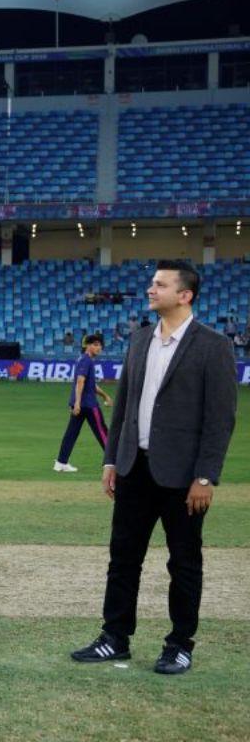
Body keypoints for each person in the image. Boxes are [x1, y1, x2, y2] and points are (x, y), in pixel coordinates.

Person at [71, 260, 237, 675]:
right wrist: (112, 459)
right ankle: (115, 637)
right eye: (152, 283)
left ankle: (179, 644)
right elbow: (125, 404)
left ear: (185, 295)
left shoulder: (213, 345)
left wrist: (205, 476)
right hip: (133, 467)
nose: (151, 289)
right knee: (123, 558)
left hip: (183, 477)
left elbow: (220, 418)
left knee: (184, 563)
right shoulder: (140, 339)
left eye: (160, 284)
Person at [53, 334, 113, 472]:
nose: (99, 348)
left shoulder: (82, 359)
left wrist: (105, 396)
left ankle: (61, 462)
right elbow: (80, 381)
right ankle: (113, 461)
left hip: (80, 404)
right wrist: (78, 402)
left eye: (100, 345)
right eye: (95, 345)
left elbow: (90, 384)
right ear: (88, 346)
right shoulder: (86, 361)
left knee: (71, 433)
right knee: (102, 431)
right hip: (88, 404)